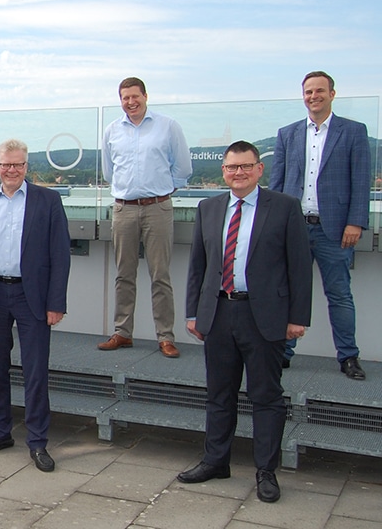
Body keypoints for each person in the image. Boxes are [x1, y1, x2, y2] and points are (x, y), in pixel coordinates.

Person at [177, 141, 311, 504]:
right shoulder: (209, 208)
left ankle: (266, 471)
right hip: (219, 313)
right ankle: (216, 461)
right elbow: (198, 267)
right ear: (223, 171)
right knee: (218, 394)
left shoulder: (284, 207)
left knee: (266, 396)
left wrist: (298, 318)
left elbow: (299, 266)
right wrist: (194, 312)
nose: (238, 173)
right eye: (232, 167)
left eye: (245, 166)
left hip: (264, 316)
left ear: (258, 169)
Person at [0, 139, 70, 473]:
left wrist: (56, 303)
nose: (12, 170)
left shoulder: (47, 200)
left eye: (18, 165)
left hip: (31, 297)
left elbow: (60, 256)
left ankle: (37, 442)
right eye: (6, 165)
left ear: (26, 166)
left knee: (36, 372)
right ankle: (1, 431)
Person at [269, 71, 370, 380]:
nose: (313, 96)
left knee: (339, 294)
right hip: (293, 227)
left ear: (332, 94)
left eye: (319, 91)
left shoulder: (353, 131)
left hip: (335, 230)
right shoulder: (288, 134)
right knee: (286, 292)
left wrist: (355, 222)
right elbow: (277, 184)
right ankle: (283, 353)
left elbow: (361, 181)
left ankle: (348, 357)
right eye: (308, 92)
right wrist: (272, 224)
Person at [99, 77, 192, 358]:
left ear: (145, 96)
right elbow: (108, 173)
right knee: (123, 274)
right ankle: (122, 332)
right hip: (124, 208)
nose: (131, 102)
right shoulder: (112, 130)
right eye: (125, 98)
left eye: (135, 96)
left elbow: (183, 168)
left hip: (158, 208)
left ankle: (165, 336)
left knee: (160, 275)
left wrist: (160, 190)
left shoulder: (168, 126)